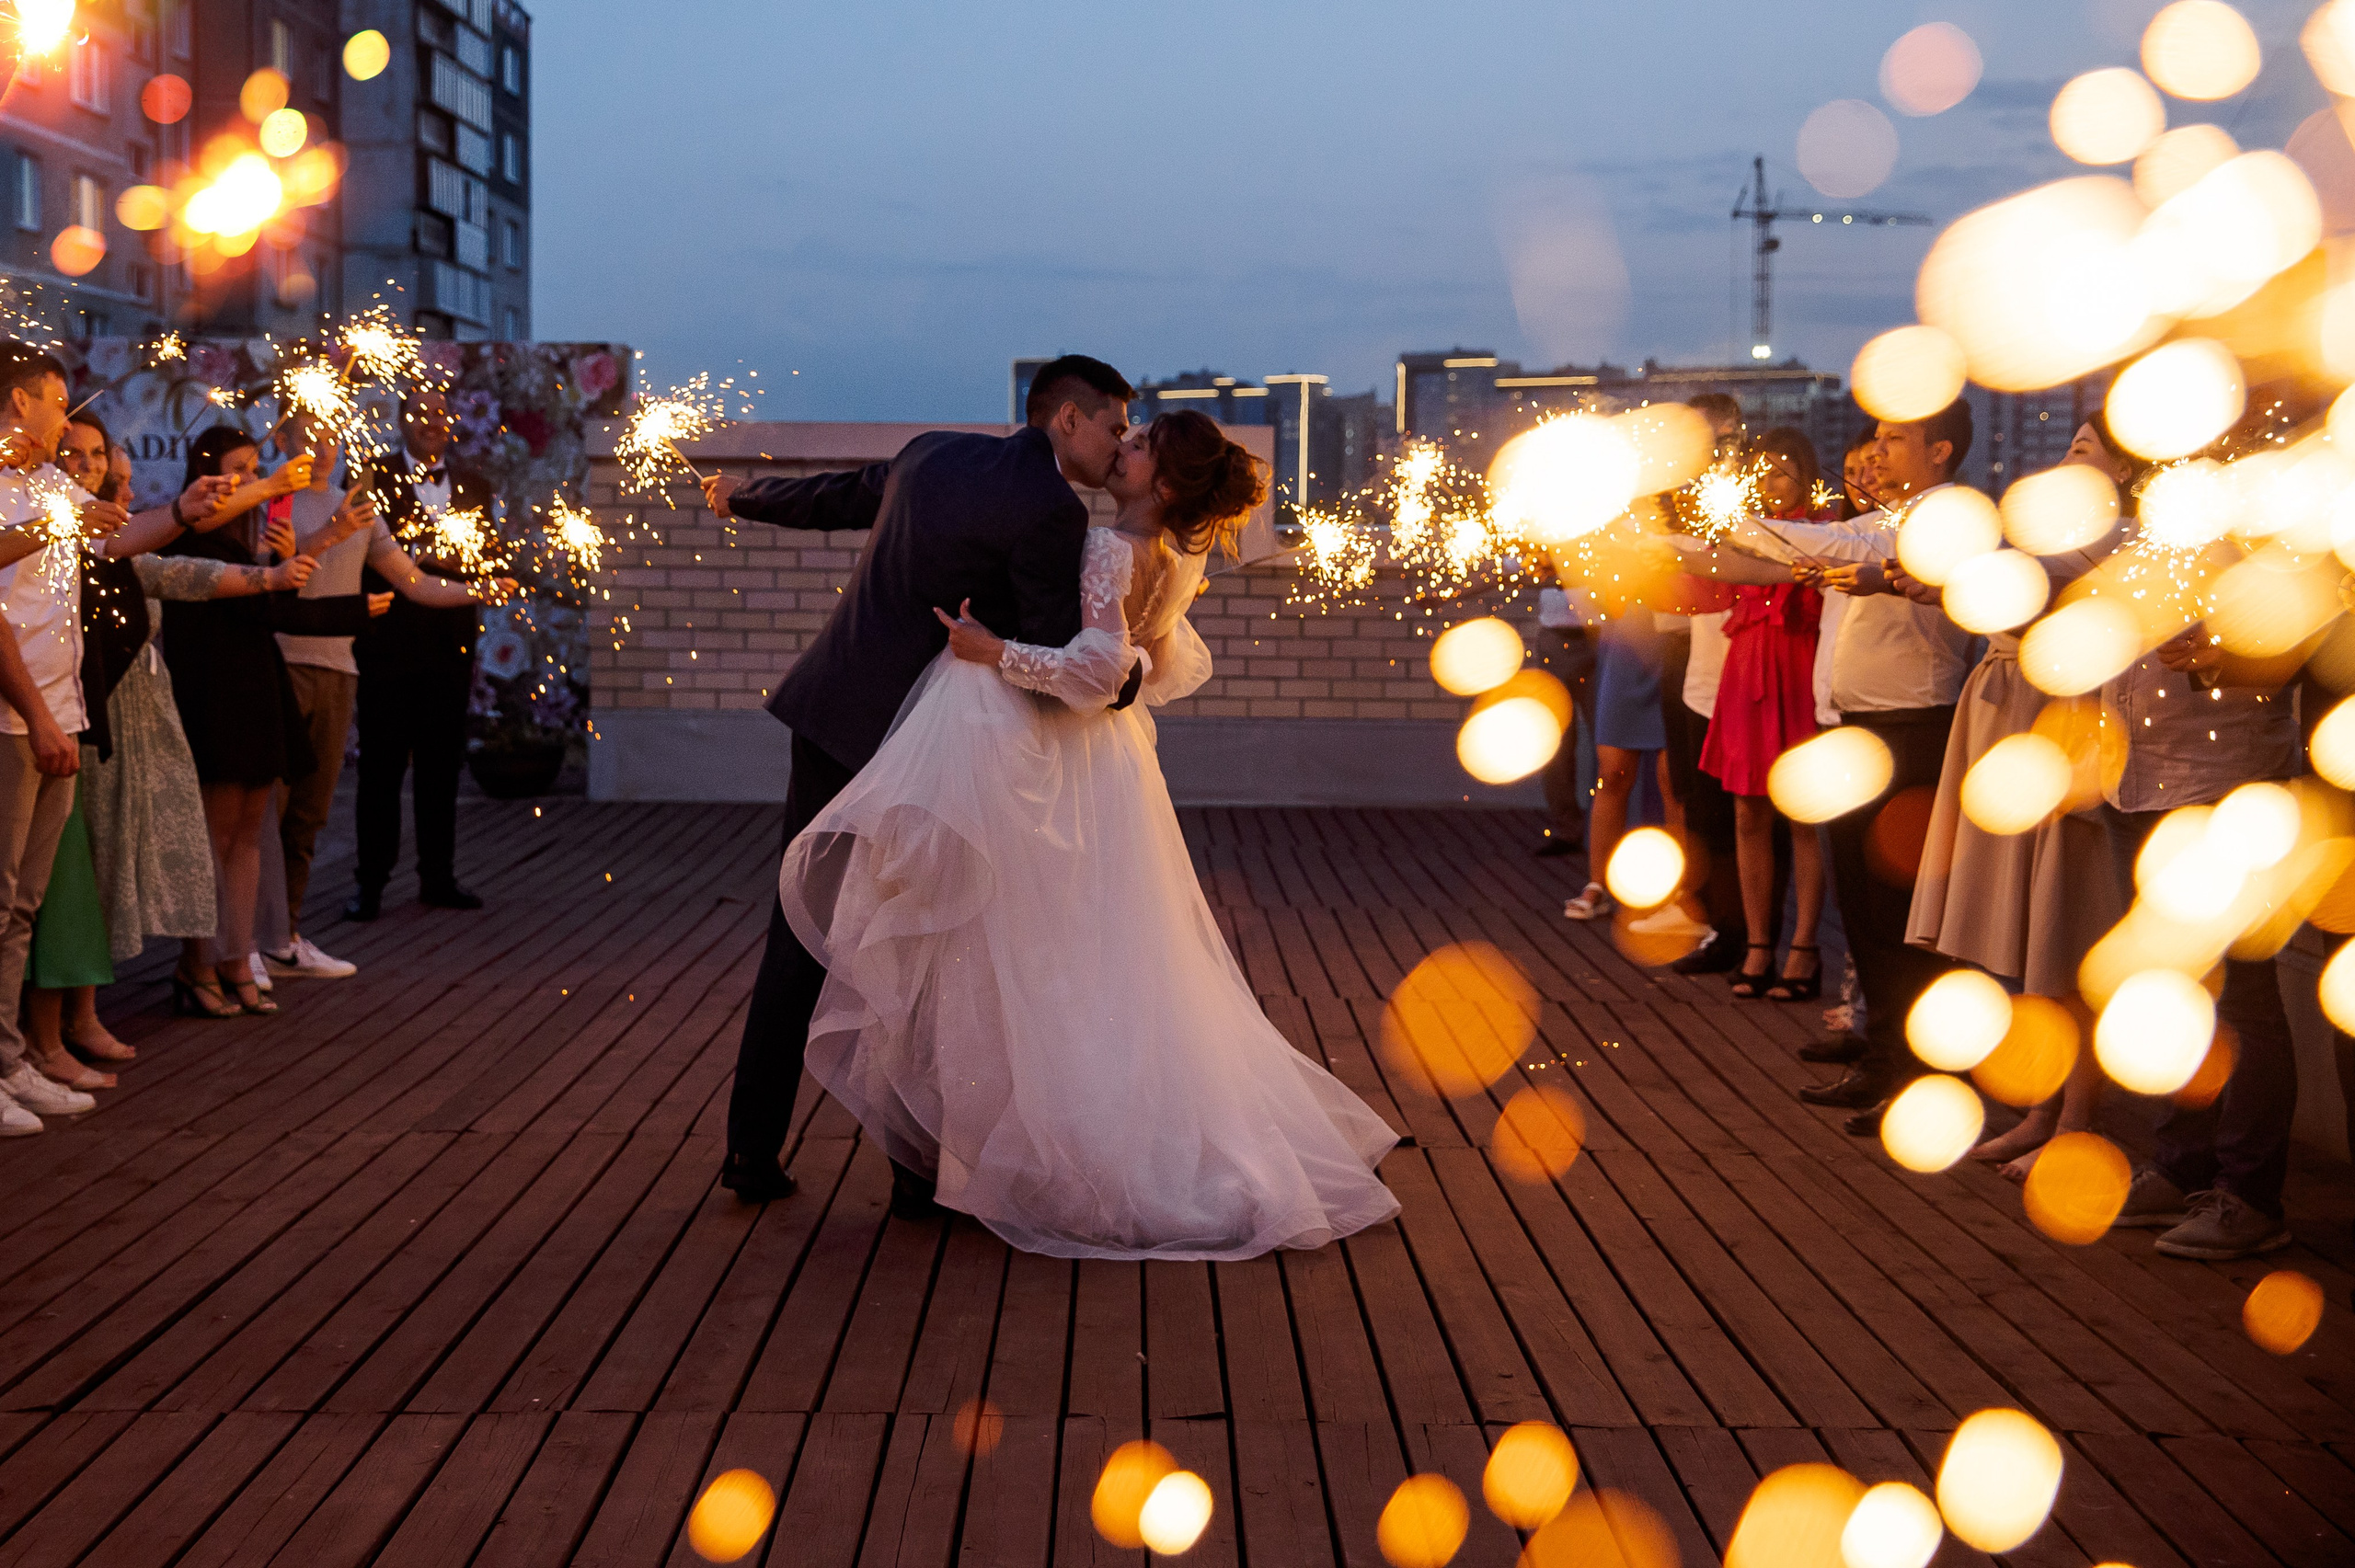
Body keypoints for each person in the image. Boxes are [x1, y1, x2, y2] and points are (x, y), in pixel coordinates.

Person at [782, 410, 1399, 1258]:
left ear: (1167, 483)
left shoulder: (1113, 548)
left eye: (1140, 444)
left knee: (1041, 950)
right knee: (1108, 953)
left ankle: (1042, 1154)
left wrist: (994, 652)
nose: (1125, 447)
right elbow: (1161, 662)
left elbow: (1093, 671)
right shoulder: (1184, 555)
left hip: (1067, 758)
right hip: (1115, 765)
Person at [702, 353, 1142, 1207]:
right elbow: (1049, 651)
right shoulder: (1051, 509)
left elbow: (835, 496)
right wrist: (1123, 677)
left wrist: (739, 496)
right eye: (1116, 427)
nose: (1119, 445)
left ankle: (750, 1151)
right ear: (1069, 420)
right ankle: (916, 1171)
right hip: (919, 749)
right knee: (935, 947)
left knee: (796, 937)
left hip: (828, 717)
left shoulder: (933, 450)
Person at [29, 415, 327, 1057]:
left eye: (102, 458)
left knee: (105, 870)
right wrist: (260, 490)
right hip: (80, 717)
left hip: (124, 722)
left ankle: (80, 1016)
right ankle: (49, 1033)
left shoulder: (117, 542)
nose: (99, 472)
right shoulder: (56, 531)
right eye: (75, 454)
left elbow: (178, 571)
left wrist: (272, 574)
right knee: (62, 881)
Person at [1910, 419, 2137, 1176]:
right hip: (2012, 716)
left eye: (2085, 448)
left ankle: (2073, 1119)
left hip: (2061, 730)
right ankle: (2043, 1110)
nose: (2068, 456)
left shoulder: (2117, 536)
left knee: (2064, 926)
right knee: (2034, 934)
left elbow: (2032, 584)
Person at [265, 409, 508, 970]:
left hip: (352, 664)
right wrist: (334, 533)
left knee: (309, 815)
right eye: (309, 439)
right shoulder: (285, 499)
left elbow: (417, 583)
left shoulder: (362, 508)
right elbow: (277, 572)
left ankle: (285, 938)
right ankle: (261, 939)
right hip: (304, 660)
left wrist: (482, 589)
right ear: (284, 441)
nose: (321, 449)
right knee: (277, 810)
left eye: (329, 438)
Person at [161, 427, 375, 1017]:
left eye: (257, 468)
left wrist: (292, 562)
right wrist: (281, 550)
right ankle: (195, 963)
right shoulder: (193, 531)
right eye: (242, 469)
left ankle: (235, 956)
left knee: (251, 833)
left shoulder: (250, 537)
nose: (255, 481)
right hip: (213, 692)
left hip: (256, 687)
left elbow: (276, 611)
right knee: (216, 832)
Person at [347, 388, 497, 920]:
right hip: (388, 646)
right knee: (381, 770)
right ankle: (370, 883)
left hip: (451, 645)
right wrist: (427, 556)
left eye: (441, 415)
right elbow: (363, 553)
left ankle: (438, 876)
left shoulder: (476, 485)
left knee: (440, 768)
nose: (432, 423)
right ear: (401, 420)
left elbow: (488, 554)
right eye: (421, 414)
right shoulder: (372, 477)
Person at [1697, 428, 1828, 1000]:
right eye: (1763, 471)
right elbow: (1701, 588)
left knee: (1804, 816)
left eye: (1783, 471)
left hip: (1800, 674)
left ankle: (1804, 947)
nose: (1770, 482)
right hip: (1748, 675)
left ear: (1805, 476)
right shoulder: (1742, 536)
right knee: (1748, 812)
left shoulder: (1824, 535)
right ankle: (1757, 943)